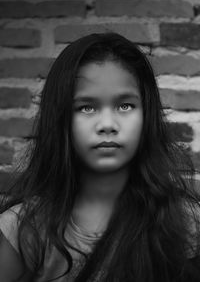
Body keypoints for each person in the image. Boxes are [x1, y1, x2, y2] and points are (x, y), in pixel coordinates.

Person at [0, 32, 200, 282]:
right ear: (62, 118)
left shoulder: (186, 221)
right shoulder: (22, 229)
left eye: (125, 106)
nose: (107, 124)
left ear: (146, 115)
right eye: (87, 107)